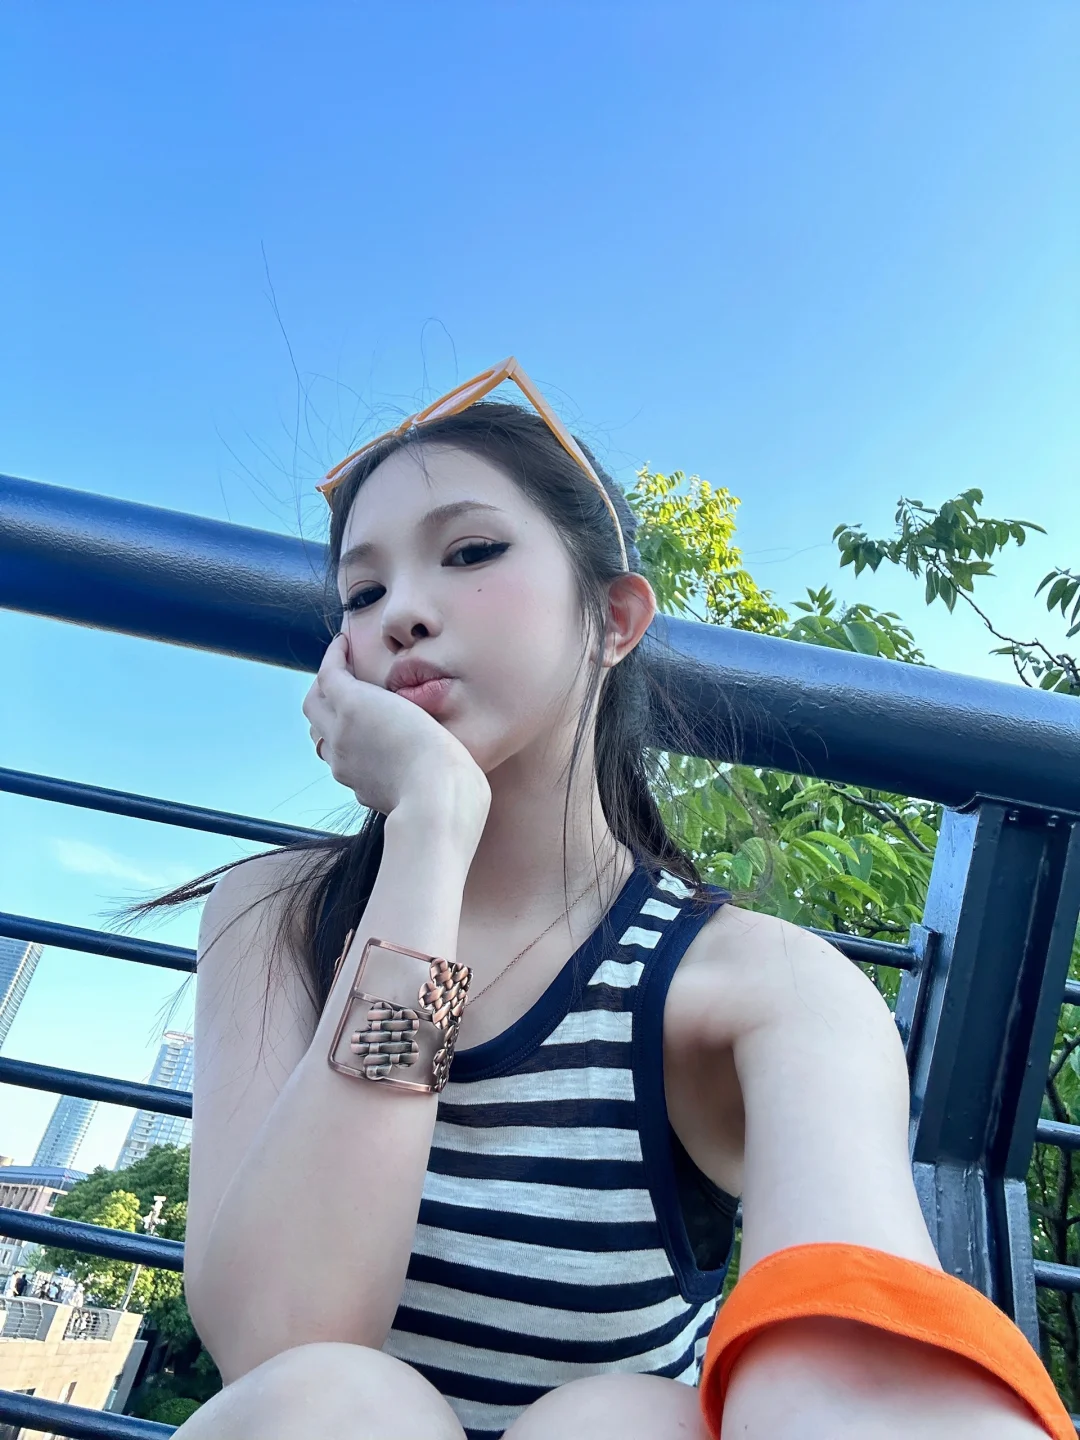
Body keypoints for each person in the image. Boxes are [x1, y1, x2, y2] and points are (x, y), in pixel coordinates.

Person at [162, 361, 1066, 1439]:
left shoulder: (759, 986)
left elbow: (857, 1355)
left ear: (614, 618)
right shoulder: (275, 916)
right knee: (344, 1399)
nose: (401, 611)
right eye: (362, 595)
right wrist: (431, 829)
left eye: (471, 552)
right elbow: (283, 1349)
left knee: (623, 1423)